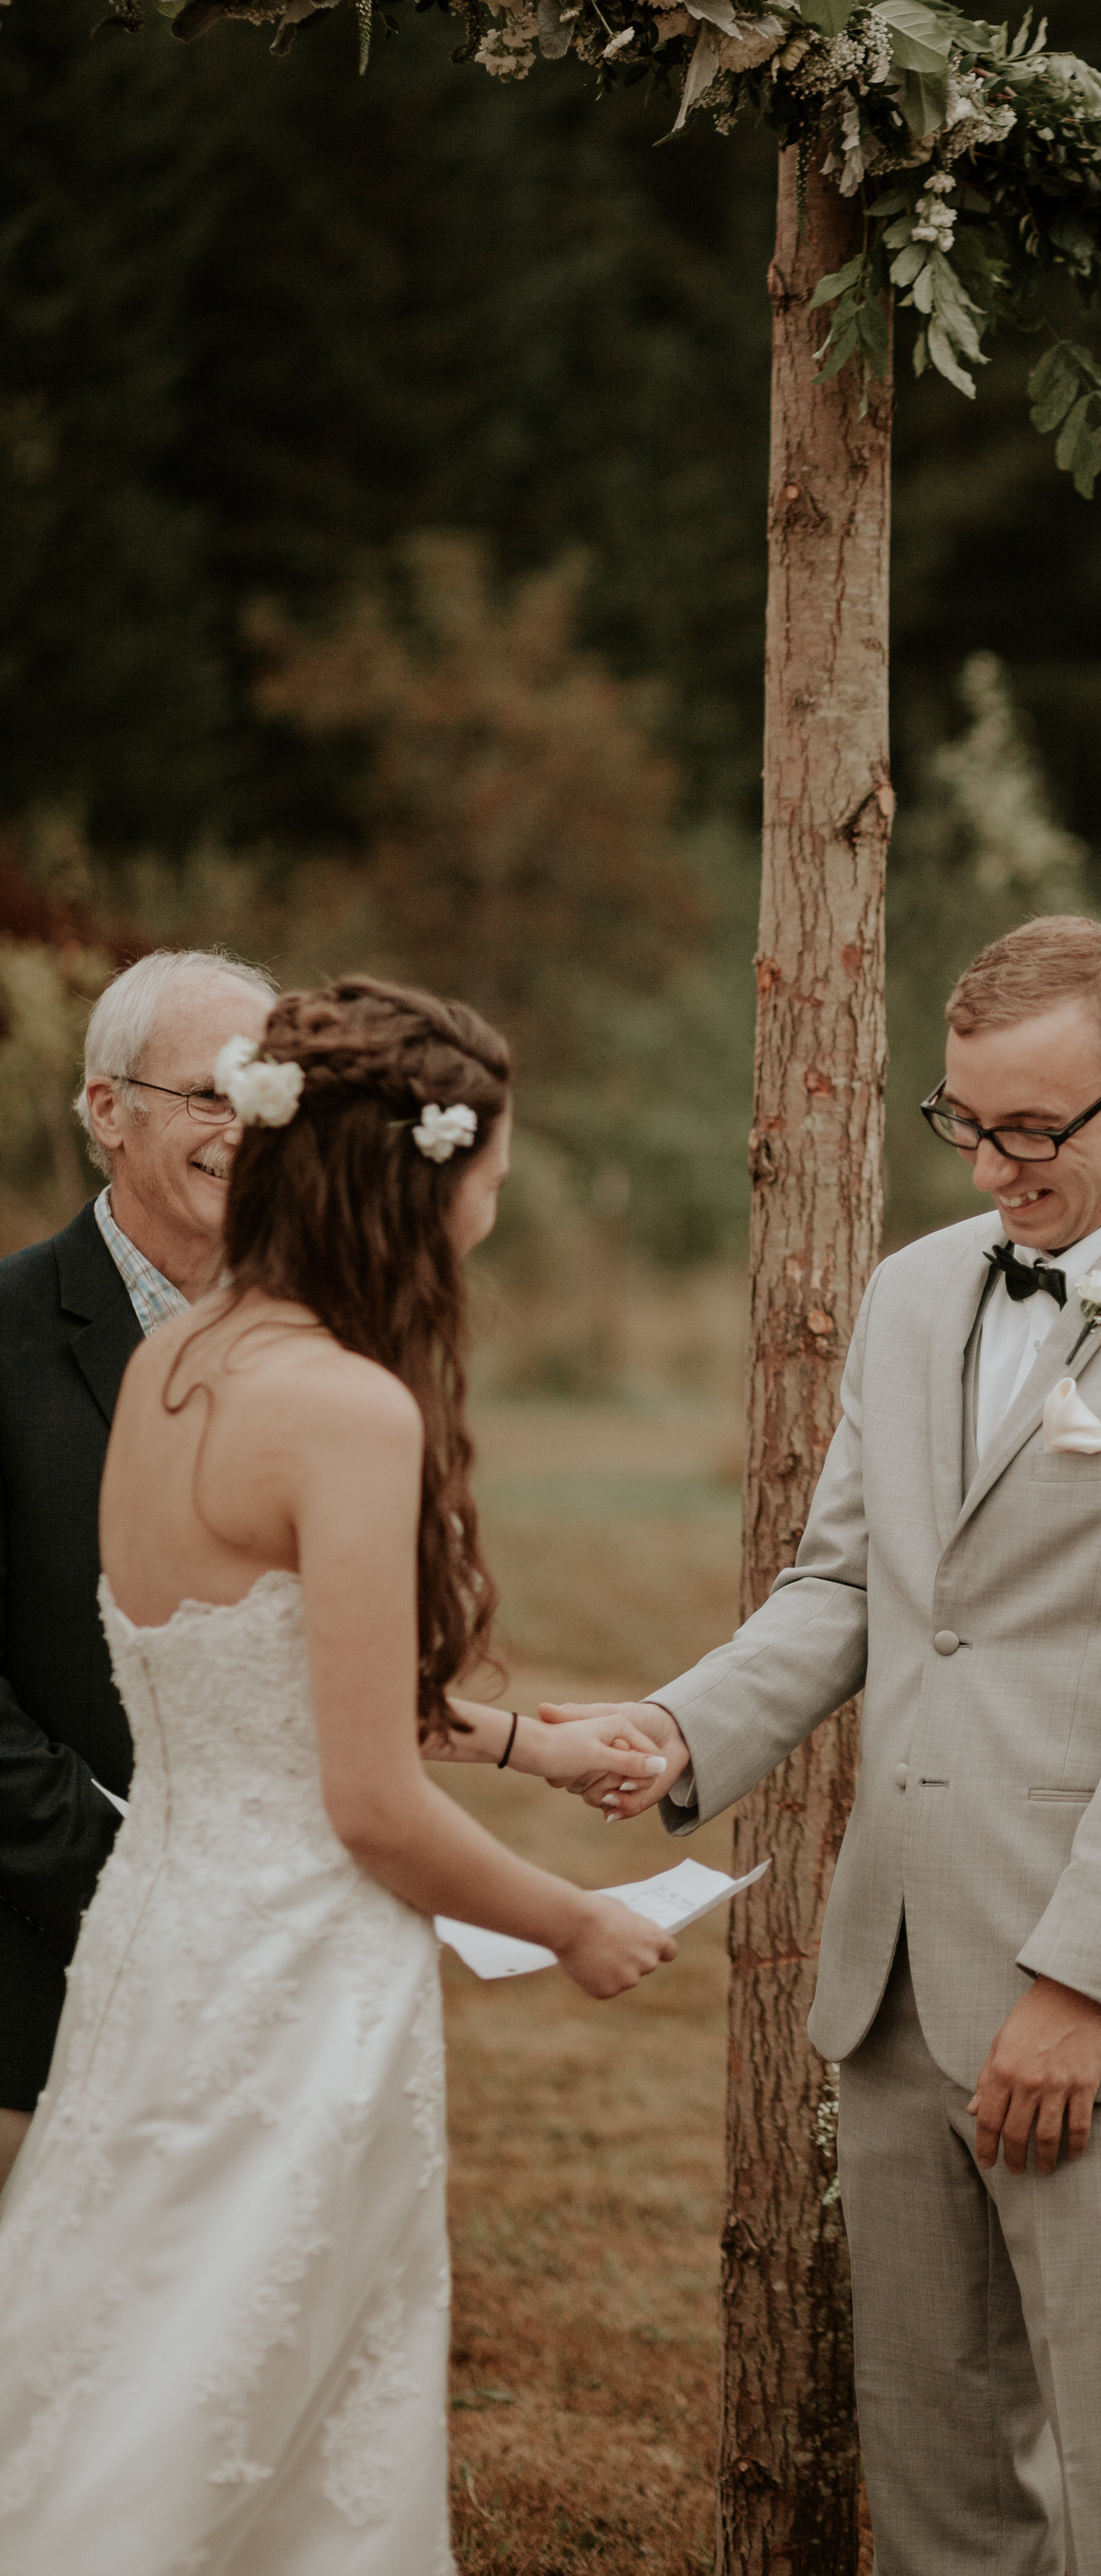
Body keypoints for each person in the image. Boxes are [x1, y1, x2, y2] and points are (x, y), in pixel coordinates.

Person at [559, 914, 1101, 2576]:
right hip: (897, 1985)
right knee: (937, 2502)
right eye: (963, 1122)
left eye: (1029, 1132)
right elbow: (847, 1585)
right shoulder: (917, 1294)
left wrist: (1080, 1985)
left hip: (1098, 2010)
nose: (991, 1169)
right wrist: (682, 1726)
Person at [0, 975, 675, 2574]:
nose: (496, 1212)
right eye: (492, 1179)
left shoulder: (181, 1374)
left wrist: (529, 1739)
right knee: (250, 2396)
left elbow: (267, 1681)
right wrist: (574, 1924)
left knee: (124, 2354)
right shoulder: (346, 1408)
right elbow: (366, 1801)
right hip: (293, 1971)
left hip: (158, 1951)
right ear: (420, 1182)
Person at [0, 945, 278, 2192]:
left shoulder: (326, 1349)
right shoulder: (5, 1337)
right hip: (30, 1993)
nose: (247, 1127)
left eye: (270, 1094)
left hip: (276, 2001)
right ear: (108, 1108)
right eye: (211, 1094)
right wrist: (138, 1885)